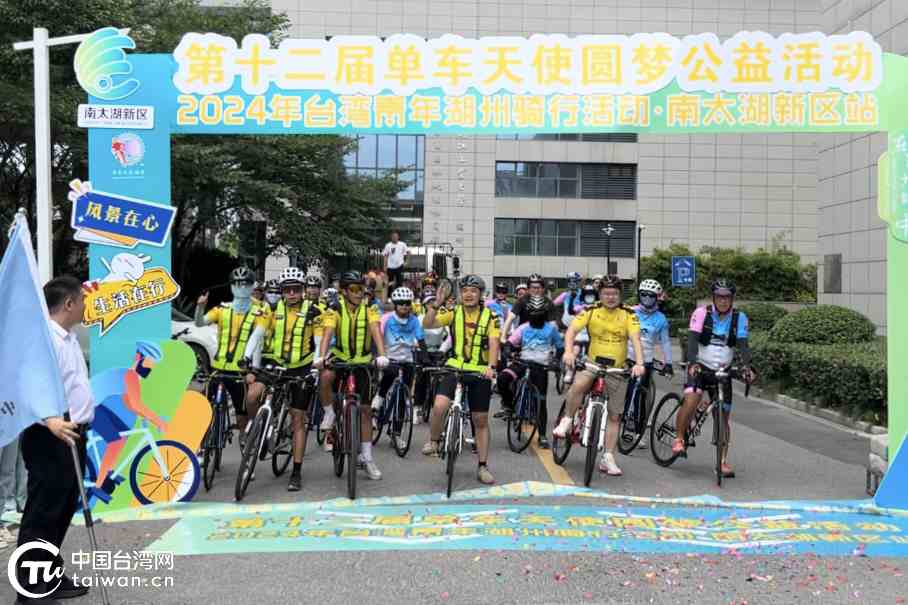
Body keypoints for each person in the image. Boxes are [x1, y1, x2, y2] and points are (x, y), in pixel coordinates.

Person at [15, 276, 94, 603]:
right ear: (69, 304)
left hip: (72, 434)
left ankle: (47, 573)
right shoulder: (44, 340)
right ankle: (29, 589)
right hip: (50, 436)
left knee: (61, 510)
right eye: (82, 301)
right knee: (44, 512)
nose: (86, 306)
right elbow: (25, 385)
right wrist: (50, 420)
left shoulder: (68, 337)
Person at [556, 276, 646, 477]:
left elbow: (636, 339)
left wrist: (640, 363)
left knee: (615, 415)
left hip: (617, 368)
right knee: (579, 384)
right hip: (593, 363)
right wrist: (568, 352)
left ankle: (608, 457)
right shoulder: (590, 310)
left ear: (620, 295)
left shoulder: (629, 314)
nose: (610, 297)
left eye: (614, 293)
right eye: (606, 293)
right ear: (600, 294)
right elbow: (571, 331)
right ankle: (567, 419)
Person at [421, 275, 501, 485]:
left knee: (480, 420)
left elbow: (494, 342)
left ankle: (482, 466)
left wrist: (492, 367)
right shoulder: (452, 311)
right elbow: (427, 324)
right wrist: (436, 304)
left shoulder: (491, 316)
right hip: (454, 367)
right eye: (465, 290)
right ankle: (434, 441)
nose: (468, 294)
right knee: (439, 406)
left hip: (479, 371)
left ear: (480, 294)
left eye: (473, 291)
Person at [673, 279, 754, 478]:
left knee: (723, 417)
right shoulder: (702, 313)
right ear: (714, 298)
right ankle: (679, 438)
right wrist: (692, 362)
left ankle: (722, 461)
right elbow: (693, 340)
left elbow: (743, 345)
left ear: (732, 299)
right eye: (719, 297)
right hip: (700, 367)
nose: (723, 301)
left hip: (723, 371)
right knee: (691, 399)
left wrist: (747, 367)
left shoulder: (739, 318)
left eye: (727, 297)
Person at [316, 271, 389, 480]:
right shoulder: (335, 308)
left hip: (362, 362)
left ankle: (367, 458)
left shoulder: (370, 309)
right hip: (340, 358)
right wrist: (321, 357)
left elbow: (376, 331)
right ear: (344, 292)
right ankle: (329, 413)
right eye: (354, 289)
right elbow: (327, 333)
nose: (359, 293)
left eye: (361, 289)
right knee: (325, 376)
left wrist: (382, 355)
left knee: (365, 412)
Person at [262, 267, 325, 492]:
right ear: (281, 291)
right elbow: (259, 334)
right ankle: (260, 431)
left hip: (302, 367)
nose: (291, 294)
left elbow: (318, 341)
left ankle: (296, 471)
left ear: (303, 290)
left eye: (296, 289)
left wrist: (317, 364)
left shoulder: (314, 311)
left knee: (298, 418)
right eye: (287, 290)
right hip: (278, 365)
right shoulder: (271, 309)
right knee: (258, 395)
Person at [86, 340, 169, 504]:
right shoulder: (130, 376)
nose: (150, 368)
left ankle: (108, 470)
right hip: (87, 408)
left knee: (122, 435)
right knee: (115, 441)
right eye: (148, 362)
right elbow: (136, 404)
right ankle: (98, 485)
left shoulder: (127, 375)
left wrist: (146, 416)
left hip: (93, 405)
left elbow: (130, 404)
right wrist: (158, 421)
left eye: (152, 365)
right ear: (138, 357)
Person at [195, 267, 269, 446]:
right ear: (232, 287)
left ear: (251, 287)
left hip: (240, 371)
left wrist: (254, 370)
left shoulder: (260, 311)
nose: (241, 288)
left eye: (245, 284)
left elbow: (257, 341)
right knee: (206, 406)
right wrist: (200, 306)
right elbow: (199, 323)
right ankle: (203, 445)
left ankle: (244, 437)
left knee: (241, 413)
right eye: (237, 284)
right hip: (218, 367)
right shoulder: (222, 308)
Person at [497, 295, 564, 449]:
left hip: (541, 367)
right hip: (522, 363)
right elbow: (510, 343)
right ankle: (508, 404)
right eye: (533, 313)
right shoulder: (524, 328)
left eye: (539, 313)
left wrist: (555, 361)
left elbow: (560, 348)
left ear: (544, 314)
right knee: (502, 378)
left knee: (541, 402)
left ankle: (542, 436)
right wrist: (507, 350)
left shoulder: (551, 329)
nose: (536, 316)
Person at [372, 287, 427, 448]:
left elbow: (421, 339)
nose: (404, 306)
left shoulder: (414, 320)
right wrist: (378, 356)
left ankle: (395, 434)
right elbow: (377, 337)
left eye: (407, 303)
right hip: (388, 358)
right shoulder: (387, 318)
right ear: (395, 305)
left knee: (403, 397)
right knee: (389, 376)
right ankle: (376, 406)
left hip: (407, 360)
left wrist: (425, 358)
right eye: (401, 303)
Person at [623, 279, 673, 450]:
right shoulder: (630, 311)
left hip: (646, 362)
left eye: (650, 296)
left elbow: (665, 342)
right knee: (621, 391)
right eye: (643, 294)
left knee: (639, 397)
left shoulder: (661, 319)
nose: (646, 298)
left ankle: (638, 432)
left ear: (657, 298)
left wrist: (669, 363)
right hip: (626, 358)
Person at [501, 273, 553, 339]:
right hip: (524, 336)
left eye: (538, 287)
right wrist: (503, 337)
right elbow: (510, 318)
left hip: (542, 337)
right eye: (533, 288)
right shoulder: (521, 301)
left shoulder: (547, 302)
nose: (536, 291)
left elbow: (552, 323)